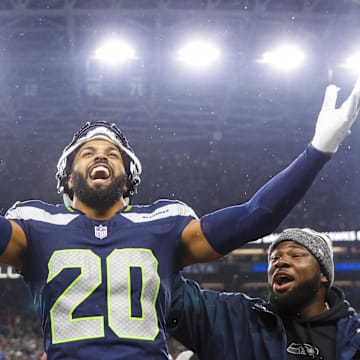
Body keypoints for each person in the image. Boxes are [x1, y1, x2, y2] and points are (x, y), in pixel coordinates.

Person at [1, 77, 360, 359]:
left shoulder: (164, 223)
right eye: (88, 153)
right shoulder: (34, 224)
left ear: (128, 178)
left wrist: (317, 152)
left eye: (113, 154)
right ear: (67, 176)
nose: (101, 157)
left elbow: (256, 217)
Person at [167, 228, 360, 359]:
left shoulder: (354, 337)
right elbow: (171, 296)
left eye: (296, 255)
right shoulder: (239, 320)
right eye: (274, 258)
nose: (280, 262)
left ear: (323, 275)